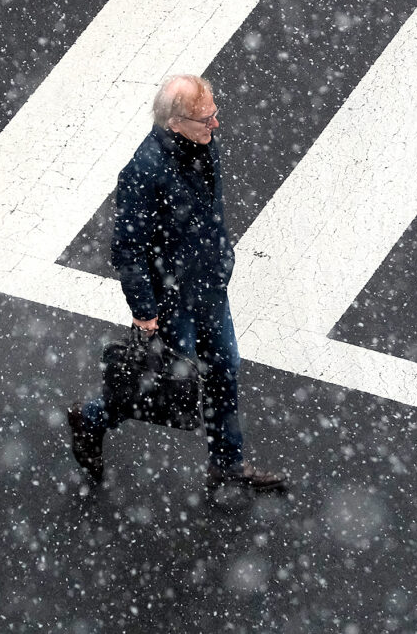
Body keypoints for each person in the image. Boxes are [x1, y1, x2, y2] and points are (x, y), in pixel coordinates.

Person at [68, 74, 286, 492]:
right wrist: (144, 313)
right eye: (206, 119)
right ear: (174, 122)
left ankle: (227, 463)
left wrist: (219, 261)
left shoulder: (203, 144)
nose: (215, 125)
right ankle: (91, 418)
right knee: (157, 384)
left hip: (208, 287)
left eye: (214, 114)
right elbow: (127, 248)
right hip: (172, 299)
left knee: (223, 370)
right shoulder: (144, 171)